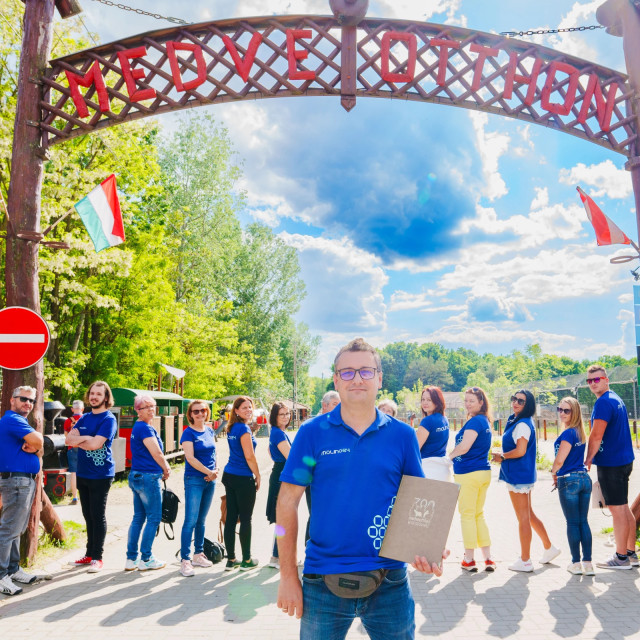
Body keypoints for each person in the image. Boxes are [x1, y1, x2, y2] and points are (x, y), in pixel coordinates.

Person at [276, 337, 444, 640]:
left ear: (379, 379)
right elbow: (287, 503)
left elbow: (418, 498)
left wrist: (426, 545)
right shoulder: (312, 434)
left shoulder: (403, 436)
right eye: (348, 372)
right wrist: (288, 575)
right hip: (321, 580)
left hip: (390, 582)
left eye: (366, 371)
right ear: (336, 380)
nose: (357, 379)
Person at [491, 390, 559, 572]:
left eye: (520, 401)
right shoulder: (518, 420)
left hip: (519, 476)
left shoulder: (522, 424)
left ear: (527, 404)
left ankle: (525, 560)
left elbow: (520, 451)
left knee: (523, 518)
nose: (515, 403)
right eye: (514, 399)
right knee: (528, 514)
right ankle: (549, 547)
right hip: (522, 474)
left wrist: (502, 456)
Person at [584, 365, 637, 569]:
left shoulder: (604, 403)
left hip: (612, 463)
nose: (592, 384)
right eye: (589, 381)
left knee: (617, 510)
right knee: (623, 507)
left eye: (596, 379)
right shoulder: (614, 398)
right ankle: (631, 553)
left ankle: (621, 558)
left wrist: (588, 459)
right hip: (624, 461)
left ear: (606, 379)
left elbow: (596, 435)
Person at [65, 380, 117, 573]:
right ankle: (88, 555)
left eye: (99, 394)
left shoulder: (108, 419)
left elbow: (96, 445)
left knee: (97, 514)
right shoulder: (85, 418)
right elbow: (68, 439)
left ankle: (98, 557)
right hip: (83, 473)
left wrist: (84, 441)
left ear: (106, 397)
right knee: (87, 515)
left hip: (101, 474)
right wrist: (88, 439)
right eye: (92, 393)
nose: (94, 396)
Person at [0, 386, 43, 596]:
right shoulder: (12, 420)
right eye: (23, 399)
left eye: (31, 400)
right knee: (9, 530)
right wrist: (37, 445)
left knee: (16, 529)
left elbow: (39, 445)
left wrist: (36, 446)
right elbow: (40, 442)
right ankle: (1, 576)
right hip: (16, 481)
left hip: (22, 481)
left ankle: (13, 569)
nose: (28, 403)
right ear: (12, 400)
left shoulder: (21, 422)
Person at [449, 386, 495, 572]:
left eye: (472, 401)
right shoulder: (484, 421)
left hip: (469, 473)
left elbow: (464, 447)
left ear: (481, 402)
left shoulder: (476, 422)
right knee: (478, 514)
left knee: (467, 515)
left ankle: (469, 559)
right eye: (466, 400)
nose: (467, 404)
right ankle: (488, 558)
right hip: (482, 472)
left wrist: (448, 457)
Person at [125, 395, 171, 572]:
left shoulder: (140, 427)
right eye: (146, 407)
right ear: (138, 410)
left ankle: (131, 559)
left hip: (137, 475)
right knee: (153, 518)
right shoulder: (144, 428)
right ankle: (146, 558)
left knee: (138, 517)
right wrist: (166, 468)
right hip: (149, 477)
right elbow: (157, 453)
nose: (151, 409)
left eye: (153, 406)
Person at [551, 396, 593, 575]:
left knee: (573, 523)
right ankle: (589, 564)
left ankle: (576, 563)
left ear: (574, 412)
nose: (562, 413)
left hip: (569, 480)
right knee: (583, 522)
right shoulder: (579, 432)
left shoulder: (568, 433)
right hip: (584, 479)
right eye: (559, 409)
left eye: (566, 410)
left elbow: (560, 460)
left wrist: (553, 473)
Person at [179, 400, 218, 577]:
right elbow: (190, 458)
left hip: (210, 480)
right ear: (190, 414)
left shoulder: (209, 430)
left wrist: (215, 470)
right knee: (190, 520)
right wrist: (209, 472)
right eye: (196, 411)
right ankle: (185, 560)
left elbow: (213, 453)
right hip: (194, 479)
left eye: (203, 410)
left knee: (201, 520)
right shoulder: (188, 433)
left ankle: (198, 554)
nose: (200, 414)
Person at [222, 396, 260, 571]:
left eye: (250, 407)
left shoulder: (232, 428)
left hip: (229, 475)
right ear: (236, 410)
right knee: (245, 519)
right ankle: (246, 560)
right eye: (244, 407)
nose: (248, 410)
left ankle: (231, 560)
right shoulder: (243, 429)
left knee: (231, 518)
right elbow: (249, 456)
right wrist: (258, 475)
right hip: (243, 477)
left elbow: (240, 448)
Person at [266, 401, 292, 569]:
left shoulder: (279, 432)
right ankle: (277, 557)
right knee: (284, 518)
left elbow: (271, 452)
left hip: (280, 473)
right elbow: (290, 456)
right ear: (274, 417)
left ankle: (276, 556)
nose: (285, 417)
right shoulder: (278, 433)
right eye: (281, 414)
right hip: (281, 476)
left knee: (284, 518)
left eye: (287, 414)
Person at [417, 386, 452, 481]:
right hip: (443, 470)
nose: (425, 402)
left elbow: (415, 448)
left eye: (429, 400)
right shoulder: (444, 419)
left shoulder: (427, 421)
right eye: (423, 399)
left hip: (427, 470)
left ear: (437, 401)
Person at [63, 400, 84, 504]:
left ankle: (75, 498)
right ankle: (85, 496)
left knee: (74, 474)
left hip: (72, 449)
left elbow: (66, 436)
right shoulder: (86, 419)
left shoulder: (68, 421)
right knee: (85, 473)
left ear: (72, 409)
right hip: (85, 448)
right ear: (82, 409)